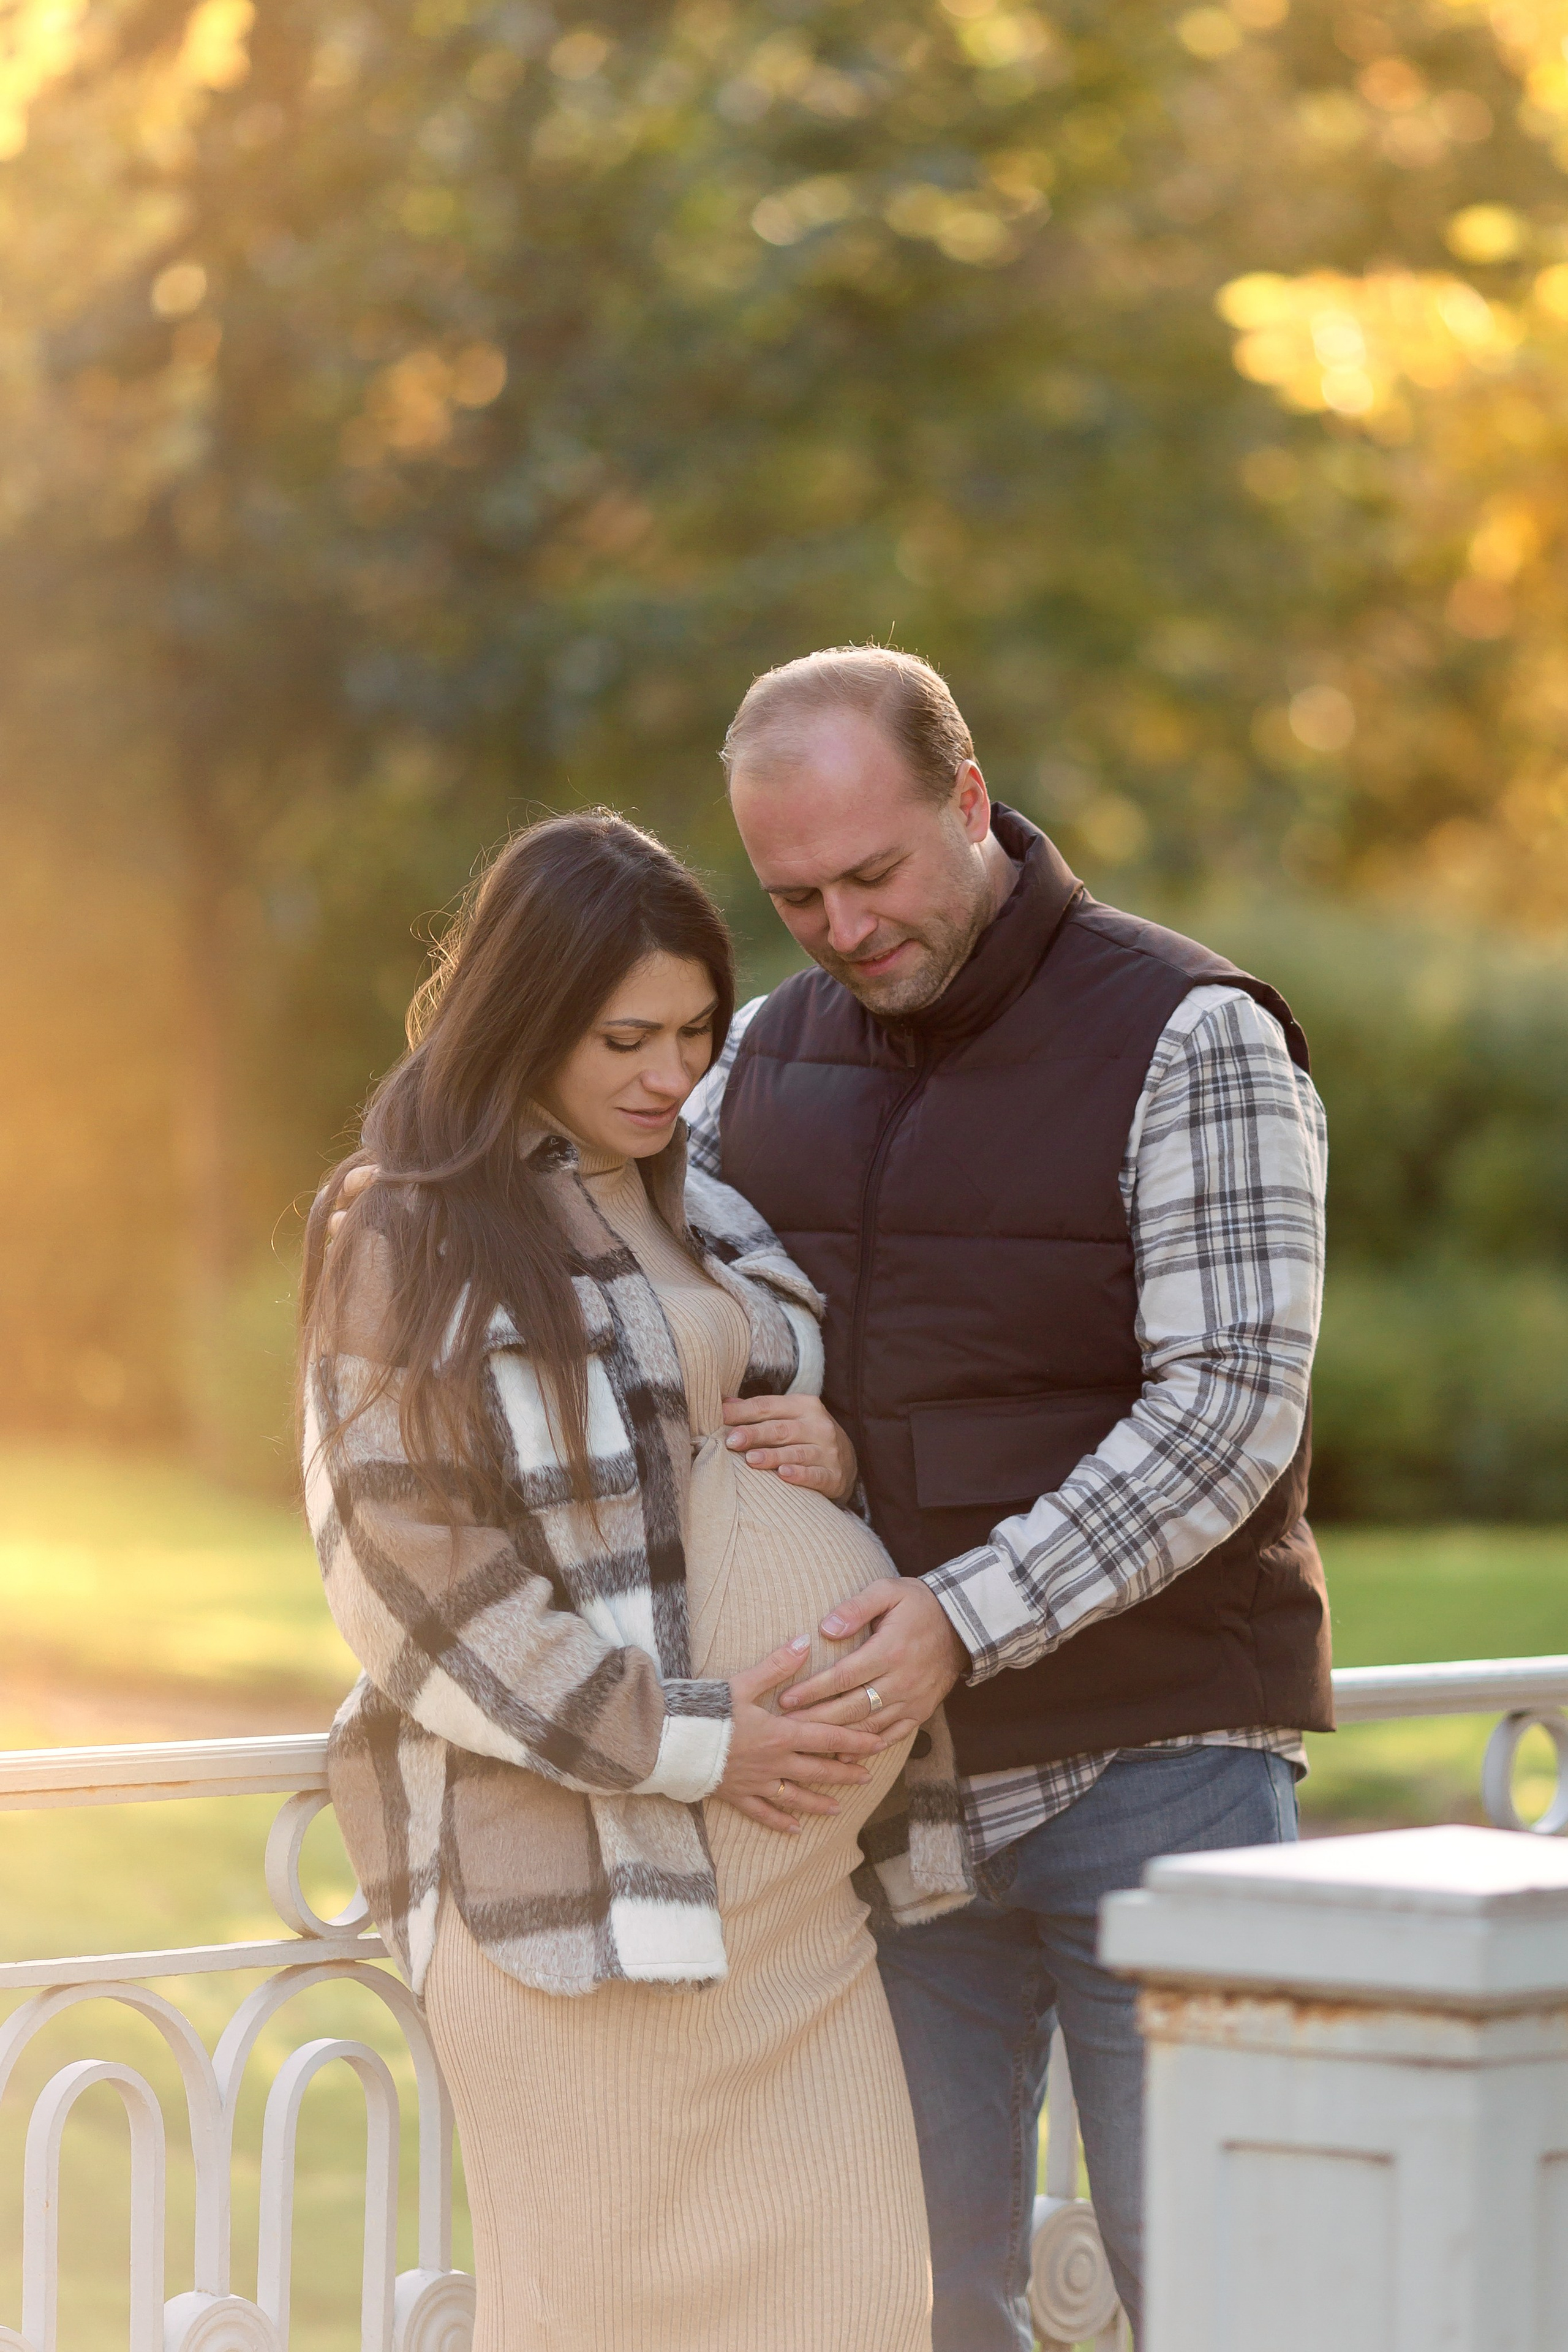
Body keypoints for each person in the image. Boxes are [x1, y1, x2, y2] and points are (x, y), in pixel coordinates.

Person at [683, 644, 1332, 2351]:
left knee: (1224, 2297)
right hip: (886, 1810)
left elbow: (1229, 1416)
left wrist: (958, 1615)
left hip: (1161, 1773)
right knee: (901, 2309)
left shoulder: (1195, 1036)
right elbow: (656, 1308)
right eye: (795, 893)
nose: (839, 926)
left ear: (968, 803)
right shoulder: (753, 1060)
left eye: (874, 873)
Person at [298, 810, 971, 2352]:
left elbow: (704, 1468)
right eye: (624, 1038)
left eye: (694, 1033)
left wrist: (840, 1454)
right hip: (589, 1910)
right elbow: (405, 1578)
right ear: (522, 1018)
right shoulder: (409, 1228)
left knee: (868, 2308)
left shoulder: (701, 1203)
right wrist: (696, 1734)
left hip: (798, 1916)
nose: (671, 1075)